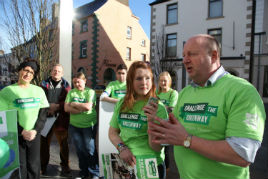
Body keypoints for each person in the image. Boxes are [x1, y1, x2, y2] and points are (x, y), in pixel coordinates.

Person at [148, 34, 266, 179]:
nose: (185, 60)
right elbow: (161, 142)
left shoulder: (242, 91)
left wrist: (187, 140)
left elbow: (243, 154)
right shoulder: (185, 93)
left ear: (214, 55)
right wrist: (154, 126)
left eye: (192, 54)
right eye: (184, 55)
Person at [108, 61, 169, 179]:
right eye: (139, 78)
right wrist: (122, 148)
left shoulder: (159, 108)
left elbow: (157, 147)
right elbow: (113, 132)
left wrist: (151, 122)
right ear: (131, 81)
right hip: (125, 165)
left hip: (151, 167)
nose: (144, 83)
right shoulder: (122, 103)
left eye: (148, 78)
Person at [0, 58, 49, 179]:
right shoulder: (7, 91)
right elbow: (4, 116)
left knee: (34, 166)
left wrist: (35, 131)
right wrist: (22, 131)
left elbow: (43, 114)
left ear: (34, 76)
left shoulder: (39, 91)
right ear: (19, 70)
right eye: (26, 70)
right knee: (20, 167)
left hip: (34, 135)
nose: (27, 74)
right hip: (16, 135)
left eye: (31, 72)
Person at [64, 72, 99, 179]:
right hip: (74, 126)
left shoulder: (90, 92)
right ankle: (83, 171)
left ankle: (94, 172)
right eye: (74, 82)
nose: (76, 84)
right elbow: (66, 109)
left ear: (85, 81)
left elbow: (88, 107)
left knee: (90, 149)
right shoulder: (71, 93)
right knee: (79, 150)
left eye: (78, 82)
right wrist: (81, 109)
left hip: (89, 125)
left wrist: (74, 104)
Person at [40, 64, 71, 176]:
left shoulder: (67, 86)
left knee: (63, 144)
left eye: (59, 71)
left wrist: (57, 106)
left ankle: (65, 165)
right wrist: (48, 106)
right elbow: (40, 98)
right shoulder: (43, 84)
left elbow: (68, 100)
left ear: (62, 73)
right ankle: (43, 166)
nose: (56, 72)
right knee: (43, 144)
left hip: (61, 118)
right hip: (46, 117)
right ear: (51, 72)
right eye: (54, 70)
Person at [156, 71, 179, 172]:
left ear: (169, 81)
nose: (163, 83)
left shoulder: (173, 93)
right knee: (156, 146)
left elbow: (171, 109)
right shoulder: (156, 93)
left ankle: (166, 170)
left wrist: (158, 106)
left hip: (166, 125)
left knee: (165, 149)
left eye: (165, 81)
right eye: (161, 81)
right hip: (156, 123)